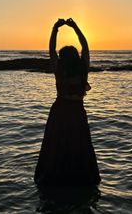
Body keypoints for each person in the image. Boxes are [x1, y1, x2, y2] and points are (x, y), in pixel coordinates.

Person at [34, 18, 101, 186]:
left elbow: (51, 49)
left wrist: (55, 28)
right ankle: (78, 179)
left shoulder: (59, 70)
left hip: (60, 111)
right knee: (79, 143)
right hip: (77, 111)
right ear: (76, 57)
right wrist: (76, 27)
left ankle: (55, 178)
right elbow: (85, 47)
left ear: (62, 58)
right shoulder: (83, 68)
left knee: (57, 144)